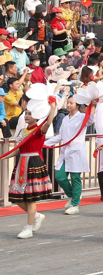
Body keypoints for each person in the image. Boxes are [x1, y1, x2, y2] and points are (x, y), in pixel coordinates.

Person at [4, 92, 57, 239]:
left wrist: (52, 107)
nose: (27, 116)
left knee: (30, 198)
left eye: (30, 114)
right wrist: (3, 157)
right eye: (26, 113)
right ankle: (36, 216)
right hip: (21, 164)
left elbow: (48, 123)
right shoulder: (22, 131)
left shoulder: (39, 130)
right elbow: (18, 150)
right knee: (16, 197)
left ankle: (28, 228)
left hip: (33, 164)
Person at [46, 92, 95, 215]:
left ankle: (74, 204)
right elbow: (60, 136)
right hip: (65, 151)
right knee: (60, 176)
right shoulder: (64, 119)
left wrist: (93, 105)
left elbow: (91, 120)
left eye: (71, 103)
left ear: (77, 105)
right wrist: (46, 143)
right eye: (67, 102)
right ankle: (74, 197)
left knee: (75, 178)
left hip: (77, 151)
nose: (68, 104)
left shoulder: (82, 117)